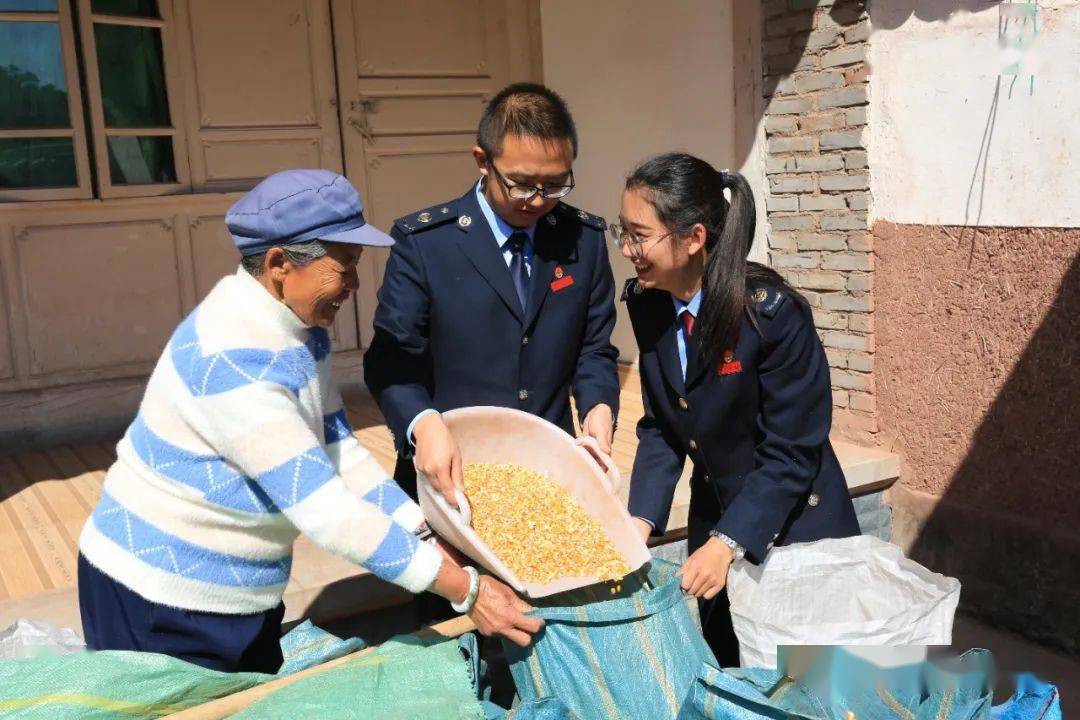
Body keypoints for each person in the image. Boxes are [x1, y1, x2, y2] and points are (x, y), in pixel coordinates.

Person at [76, 169, 542, 673]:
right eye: (344, 267)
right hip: (160, 596)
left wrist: (427, 531)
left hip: (239, 591)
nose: (356, 285)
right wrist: (465, 589)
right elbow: (328, 514)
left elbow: (337, 448)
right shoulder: (236, 360)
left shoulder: (299, 327)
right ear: (279, 264)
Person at [617, 153, 860, 665]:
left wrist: (729, 542)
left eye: (639, 235)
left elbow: (792, 452)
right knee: (731, 669)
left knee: (808, 682)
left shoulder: (770, 316)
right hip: (718, 523)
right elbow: (664, 423)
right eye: (623, 232)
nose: (626, 249)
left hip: (795, 531)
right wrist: (639, 521)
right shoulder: (651, 303)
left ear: (693, 238)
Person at [363, 83, 620, 506]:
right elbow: (391, 360)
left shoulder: (583, 240)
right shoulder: (426, 244)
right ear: (483, 161)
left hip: (548, 471)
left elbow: (594, 348)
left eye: (555, 185)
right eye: (521, 184)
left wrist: (598, 406)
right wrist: (422, 424)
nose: (538, 200)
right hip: (450, 472)